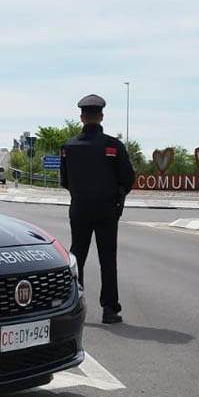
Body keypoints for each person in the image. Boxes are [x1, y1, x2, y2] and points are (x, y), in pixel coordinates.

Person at [59, 94, 135, 324]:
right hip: (106, 210)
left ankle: (74, 305)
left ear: (82, 117)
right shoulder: (113, 146)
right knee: (107, 260)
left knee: (77, 256)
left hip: (80, 208)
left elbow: (64, 181)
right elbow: (128, 178)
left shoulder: (68, 147)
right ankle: (110, 309)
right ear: (101, 117)